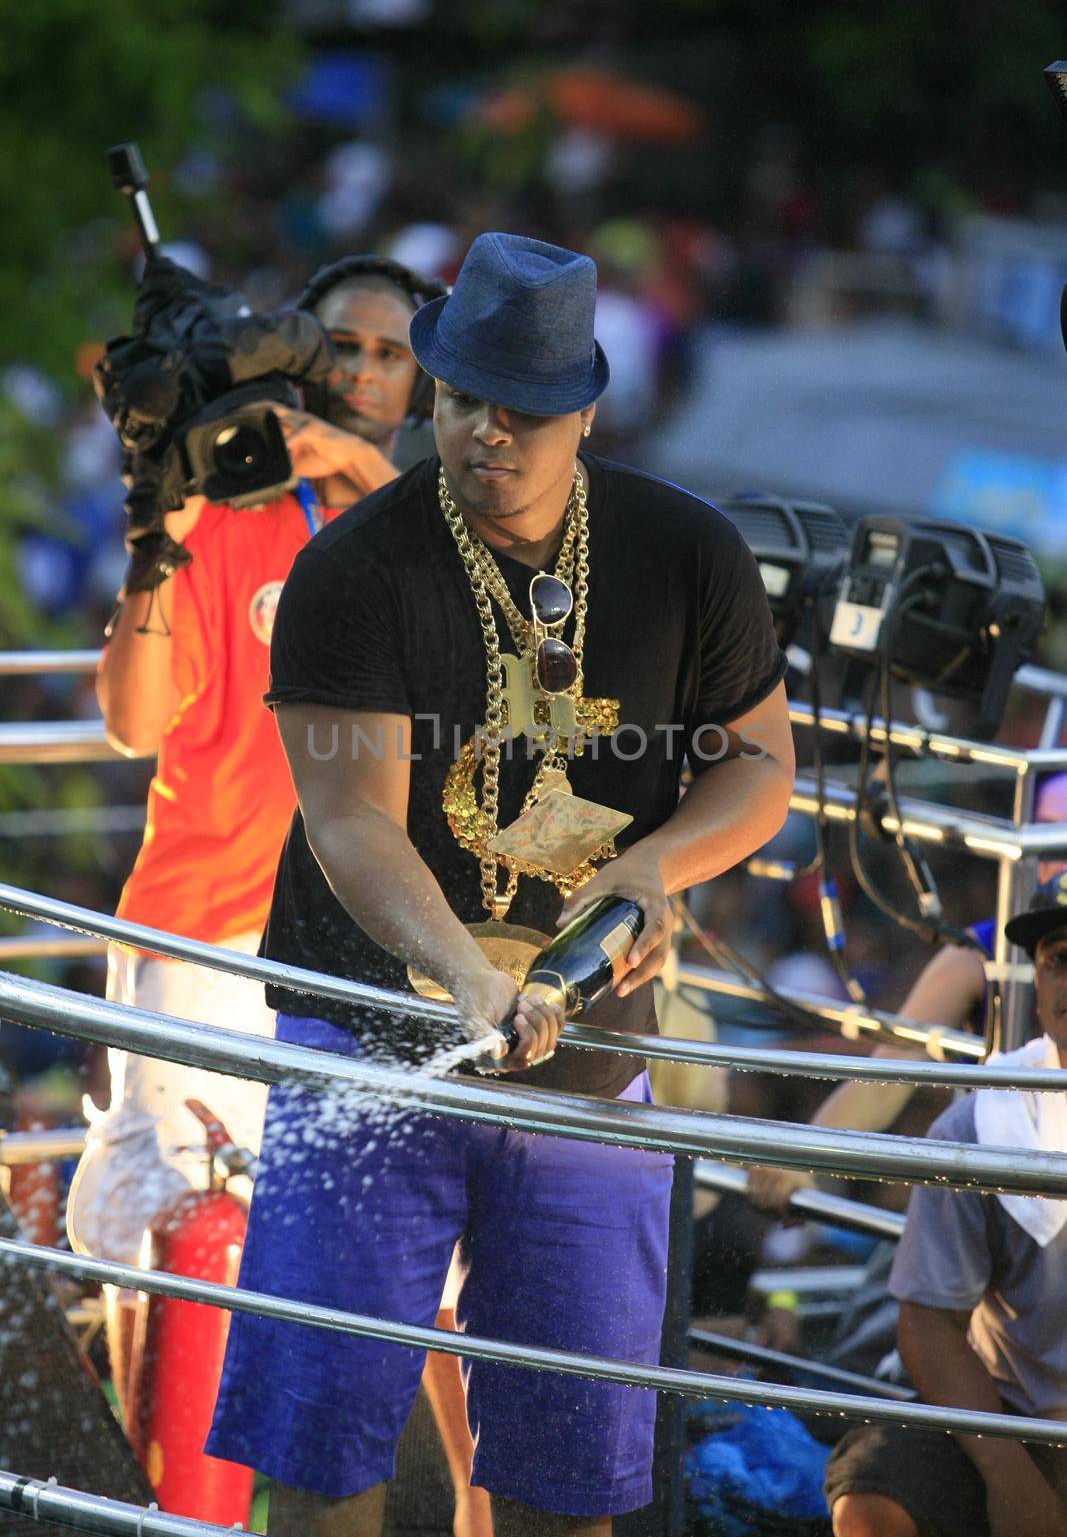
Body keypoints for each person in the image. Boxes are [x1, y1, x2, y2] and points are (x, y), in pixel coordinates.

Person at [206, 232, 796, 1537]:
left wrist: (655, 866)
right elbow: (352, 822)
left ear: (584, 410)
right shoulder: (353, 568)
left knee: (562, 1476)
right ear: (433, 390)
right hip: (370, 1036)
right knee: (317, 1455)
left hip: (589, 1063)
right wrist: (469, 978)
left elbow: (760, 769)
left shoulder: (684, 550)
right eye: (463, 397)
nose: (486, 432)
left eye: (522, 411)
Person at [66, 257, 432, 1276]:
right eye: (335, 345)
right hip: (208, 930)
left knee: (382, 1263)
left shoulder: (439, 518)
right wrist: (156, 545)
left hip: (384, 943)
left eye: (387, 353)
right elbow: (131, 724)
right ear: (289, 354)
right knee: (180, 1244)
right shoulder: (222, 508)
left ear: (423, 382)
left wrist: (353, 467)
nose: (360, 371)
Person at [823, 871, 1067, 1537]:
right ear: (1037, 983)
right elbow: (928, 1325)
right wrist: (1010, 1478)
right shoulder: (983, 1124)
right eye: (1056, 961)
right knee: (874, 1498)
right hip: (1016, 1422)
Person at [747, 772, 1067, 1214]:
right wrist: (804, 1156)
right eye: (1045, 838)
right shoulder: (980, 956)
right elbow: (885, 1079)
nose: (1057, 862)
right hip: (996, 1204)